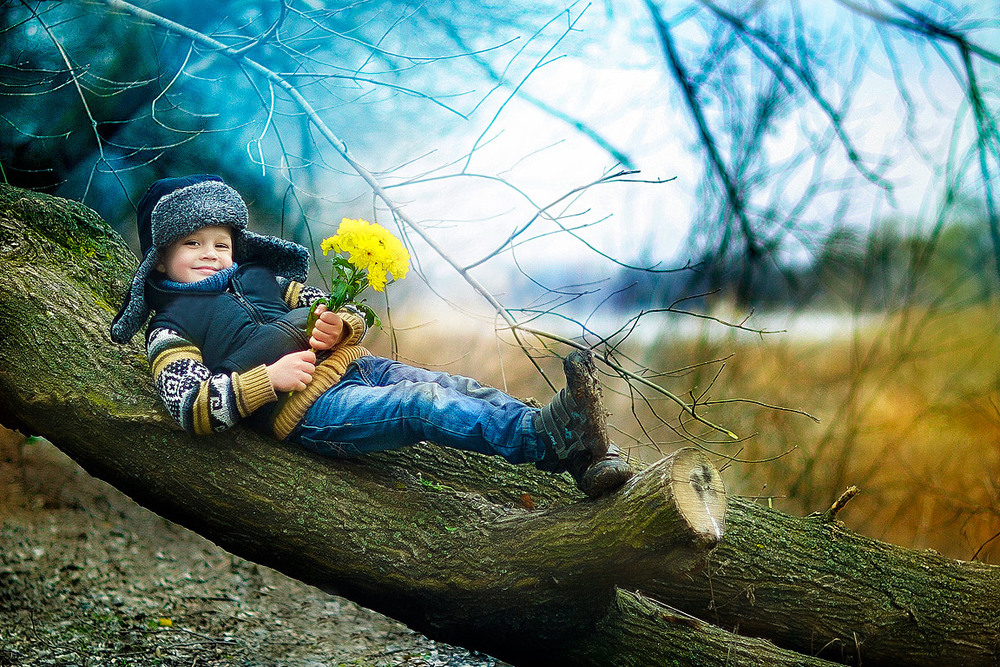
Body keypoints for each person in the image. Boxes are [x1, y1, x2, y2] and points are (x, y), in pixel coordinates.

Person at [110, 174, 633, 498]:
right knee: (421, 404)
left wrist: (344, 324)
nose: (210, 254)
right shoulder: (170, 325)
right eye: (192, 243)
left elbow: (342, 310)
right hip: (310, 413)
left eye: (221, 243)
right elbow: (194, 406)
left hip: (356, 366)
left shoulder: (264, 279)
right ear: (160, 257)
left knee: (452, 385)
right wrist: (267, 379)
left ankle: (574, 446)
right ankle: (544, 440)